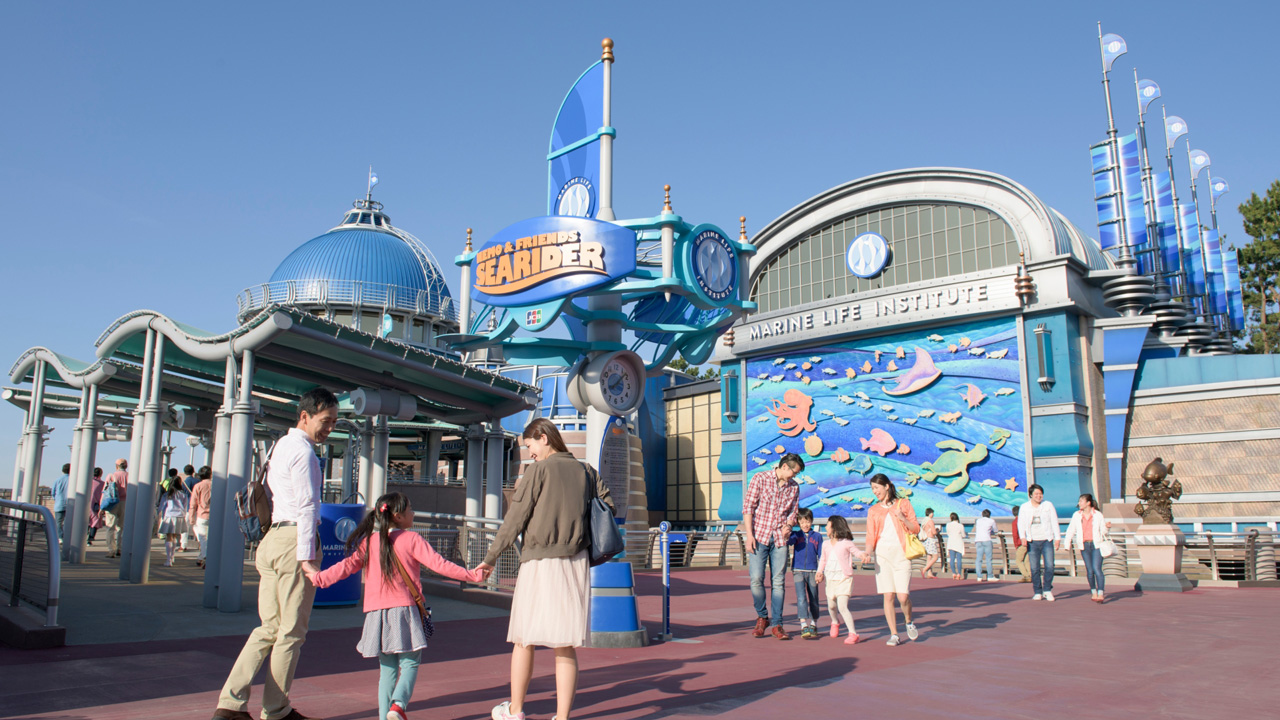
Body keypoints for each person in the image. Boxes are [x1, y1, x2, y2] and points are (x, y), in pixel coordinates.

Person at [212, 387, 338, 720]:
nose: (329, 428)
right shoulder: (305, 454)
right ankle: (276, 710)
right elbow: (309, 505)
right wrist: (308, 556)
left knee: (268, 628)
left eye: (334, 422)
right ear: (306, 416)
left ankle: (230, 704)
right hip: (294, 541)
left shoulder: (278, 446)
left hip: (270, 541)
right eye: (326, 421)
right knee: (291, 632)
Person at [306, 492, 485, 720]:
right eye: (410, 509)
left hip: (375, 613)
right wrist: (472, 575)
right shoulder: (412, 540)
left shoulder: (369, 542)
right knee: (410, 663)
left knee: (387, 670)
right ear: (398, 516)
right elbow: (440, 565)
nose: (413, 513)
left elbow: (347, 566)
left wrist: (319, 578)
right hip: (404, 610)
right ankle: (398, 706)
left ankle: (385, 716)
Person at [481, 418, 612, 720]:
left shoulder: (537, 472)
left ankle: (515, 711)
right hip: (575, 561)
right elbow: (609, 505)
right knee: (565, 645)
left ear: (543, 437)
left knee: (524, 639)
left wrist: (491, 558)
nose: (531, 454)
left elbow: (515, 519)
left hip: (539, 561)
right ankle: (562, 717)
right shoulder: (585, 471)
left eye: (530, 446)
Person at [741, 452, 802, 641]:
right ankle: (762, 616)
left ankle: (777, 624)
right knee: (756, 579)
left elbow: (794, 512)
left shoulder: (794, 487)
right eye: (794, 472)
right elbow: (748, 508)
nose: (795, 476)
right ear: (785, 467)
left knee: (778, 582)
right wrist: (749, 536)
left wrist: (789, 525)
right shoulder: (760, 478)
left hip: (780, 539)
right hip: (759, 535)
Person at [861, 474, 919, 646]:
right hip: (883, 557)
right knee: (888, 596)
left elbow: (915, 528)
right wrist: (868, 552)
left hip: (902, 555)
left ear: (887, 486)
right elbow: (871, 535)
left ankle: (908, 621)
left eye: (877, 488)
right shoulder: (873, 510)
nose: (875, 491)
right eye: (872, 489)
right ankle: (894, 634)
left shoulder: (904, 504)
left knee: (902, 597)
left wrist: (903, 518)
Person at [815, 515, 859, 644]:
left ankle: (853, 633)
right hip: (830, 578)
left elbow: (856, 551)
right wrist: (819, 572)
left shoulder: (846, 543)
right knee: (831, 605)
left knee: (842, 606)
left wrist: (863, 555)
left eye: (828, 526)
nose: (826, 528)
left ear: (834, 527)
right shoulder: (826, 544)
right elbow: (823, 559)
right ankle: (835, 622)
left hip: (844, 578)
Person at [1062, 493, 1111, 603]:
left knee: (1097, 569)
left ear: (1088, 503)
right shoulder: (1077, 515)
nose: (1079, 503)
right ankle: (1093, 591)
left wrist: (1107, 528)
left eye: (1081, 501)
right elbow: (1071, 530)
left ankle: (1101, 592)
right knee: (1089, 571)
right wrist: (1067, 543)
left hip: (1096, 545)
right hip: (1084, 545)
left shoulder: (1098, 515)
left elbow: (1103, 531)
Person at [1017, 483, 1061, 602]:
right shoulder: (1025, 507)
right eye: (1036, 494)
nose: (1038, 496)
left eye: (1040, 494)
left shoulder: (1048, 505)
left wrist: (1057, 538)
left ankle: (1047, 590)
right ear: (1030, 495)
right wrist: (1023, 537)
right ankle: (1037, 591)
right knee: (1035, 568)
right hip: (1032, 541)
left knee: (1050, 566)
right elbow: (1020, 523)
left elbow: (1054, 521)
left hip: (1047, 539)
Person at [786, 508, 823, 639]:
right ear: (798, 523)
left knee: (813, 598)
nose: (805, 525)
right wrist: (787, 531)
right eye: (801, 522)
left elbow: (821, 555)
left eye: (807, 521)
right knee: (801, 598)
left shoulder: (817, 536)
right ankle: (803, 625)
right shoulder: (796, 535)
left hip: (813, 571)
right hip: (798, 571)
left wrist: (821, 571)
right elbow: (787, 541)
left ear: (811, 521)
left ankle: (814, 623)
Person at [156, 471, 189, 567]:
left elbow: (162, 506)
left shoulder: (167, 494)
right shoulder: (183, 494)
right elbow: (185, 506)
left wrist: (160, 516)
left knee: (168, 537)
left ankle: (168, 559)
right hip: (179, 516)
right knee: (174, 537)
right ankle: (172, 556)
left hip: (169, 515)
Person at [102, 459, 129, 558]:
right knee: (121, 527)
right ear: (126, 466)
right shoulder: (130, 476)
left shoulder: (111, 476)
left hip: (112, 502)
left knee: (110, 527)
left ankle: (111, 550)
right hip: (125, 502)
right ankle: (119, 549)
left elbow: (105, 492)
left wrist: (101, 507)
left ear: (116, 466)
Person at [188, 466, 213, 568]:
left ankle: (206, 557)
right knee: (209, 539)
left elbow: (193, 504)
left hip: (201, 515)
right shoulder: (215, 485)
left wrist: (191, 517)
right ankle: (200, 558)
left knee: (203, 539)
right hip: (214, 516)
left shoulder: (198, 486)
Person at [974, 509, 997, 582]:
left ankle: (979, 576)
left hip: (978, 540)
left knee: (978, 559)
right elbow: (995, 530)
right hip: (987, 539)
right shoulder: (991, 521)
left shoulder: (978, 521)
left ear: (982, 514)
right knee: (988, 559)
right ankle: (990, 576)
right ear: (989, 515)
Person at [180, 464, 199, 551]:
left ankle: (183, 545)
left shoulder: (185, 482)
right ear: (193, 471)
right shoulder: (198, 481)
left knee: (185, 527)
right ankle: (201, 542)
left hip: (188, 506)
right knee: (196, 526)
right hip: (198, 507)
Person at [1010, 505, 1031, 582]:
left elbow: (1015, 534)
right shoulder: (1025, 520)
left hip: (1020, 543)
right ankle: (1030, 575)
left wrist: (1016, 545)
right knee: (1026, 560)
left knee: (1018, 561)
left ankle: (1026, 576)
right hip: (1028, 542)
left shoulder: (1015, 522)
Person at [52, 463, 71, 541]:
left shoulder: (58, 480)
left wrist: (56, 499)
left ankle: (60, 537)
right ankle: (67, 537)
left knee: (58, 523)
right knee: (68, 522)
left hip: (59, 504)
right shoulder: (73, 480)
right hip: (70, 504)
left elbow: (53, 493)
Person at [919, 508, 940, 579]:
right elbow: (934, 532)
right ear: (930, 513)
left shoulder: (924, 521)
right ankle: (924, 569)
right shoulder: (930, 521)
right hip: (930, 539)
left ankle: (929, 573)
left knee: (929, 556)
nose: (933, 514)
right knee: (935, 556)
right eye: (932, 513)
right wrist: (937, 531)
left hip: (925, 540)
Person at [945, 512, 966, 580]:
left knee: (952, 559)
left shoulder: (948, 525)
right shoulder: (960, 525)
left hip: (951, 542)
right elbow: (963, 535)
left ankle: (954, 573)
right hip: (958, 543)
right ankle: (959, 573)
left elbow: (948, 533)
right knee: (959, 559)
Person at [87, 467, 105, 544]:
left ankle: (84, 537)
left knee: (87, 521)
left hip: (87, 504)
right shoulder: (102, 484)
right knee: (95, 520)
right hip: (96, 505)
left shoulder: (88, 482)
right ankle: (90, 538)